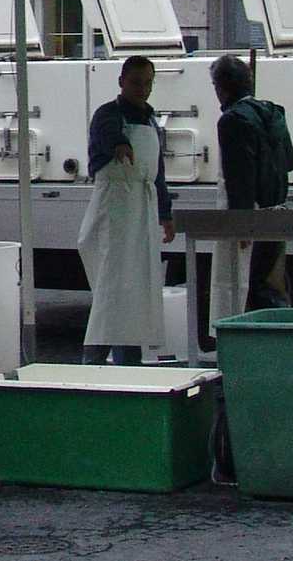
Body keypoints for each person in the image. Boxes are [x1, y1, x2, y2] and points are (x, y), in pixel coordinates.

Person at [78, 56, 171, 365]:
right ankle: (92, 365)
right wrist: (118, 144)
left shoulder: (151, 120)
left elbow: (158, 174)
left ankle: (129, 365)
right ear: (121, 82)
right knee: (112, 290)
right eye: (136, 83)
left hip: (141, 212)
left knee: (134, 294)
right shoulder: (108, 115)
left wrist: (165, 213)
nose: (142, 89)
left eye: (147, 83)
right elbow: (107, 137)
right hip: (115, 212)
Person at [208, 54, 293, 333]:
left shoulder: (232, 121)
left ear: (220, 88)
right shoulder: (273, 112)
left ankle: (245, 341)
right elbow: (290, 162)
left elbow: (239, 176)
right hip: (276, 209)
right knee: (273, 282)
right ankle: (283, 337)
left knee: (243, 286)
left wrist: (241, 222)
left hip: (250, 213)